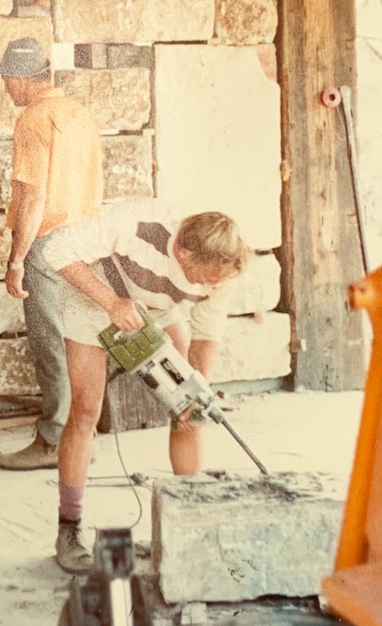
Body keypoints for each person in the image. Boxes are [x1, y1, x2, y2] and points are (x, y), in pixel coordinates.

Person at [43, 200, 251, 572]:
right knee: (86, 411)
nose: (211, 286)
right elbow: (55, 250)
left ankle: (188, 516)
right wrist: (111, 302)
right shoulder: (135, 223)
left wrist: (195, 390)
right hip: (94, 293)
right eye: (205, 278)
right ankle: (69, 527)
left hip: (154, 304)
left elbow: (207, 334)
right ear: (183, 251)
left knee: (189, 405)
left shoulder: (220, 271)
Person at [0, 37, 103, 471]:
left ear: (21, 80)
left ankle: (52, 441)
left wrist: (17, 259)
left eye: (7, 82)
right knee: (79, 339)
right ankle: (81, 435)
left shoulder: (33, 120)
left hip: (48, 244)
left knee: (50, 344)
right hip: (86, 242)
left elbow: (34, 195)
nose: (7, 90)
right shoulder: (81, 115)